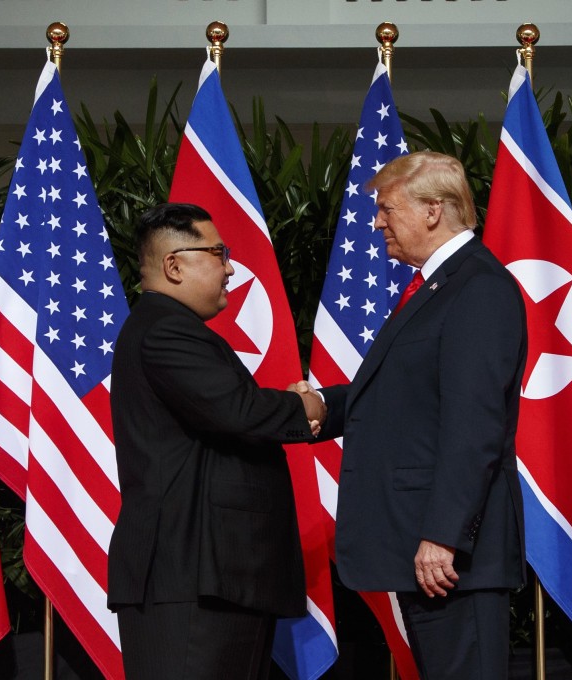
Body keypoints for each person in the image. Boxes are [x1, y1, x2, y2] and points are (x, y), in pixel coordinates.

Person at [313, 151, 528, 679]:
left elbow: (474, 426)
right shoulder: (438, 284)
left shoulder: (477, 287)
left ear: (433, 210)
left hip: (452, 559)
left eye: (388, 208)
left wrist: (443, 535)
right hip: (428, 551)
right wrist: (320, 406)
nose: (378, 220)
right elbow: (405, 398)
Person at [106, 203, 326, 680]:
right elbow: (239, 411)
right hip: (192, 579)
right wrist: (305, 407)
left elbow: (230, 410)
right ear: (174, 265)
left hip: (208, 578)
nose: (229, 268)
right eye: (218, 253)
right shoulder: (165, 330)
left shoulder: (169, 328)